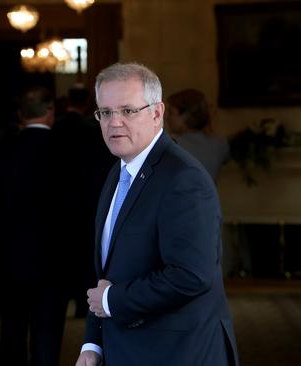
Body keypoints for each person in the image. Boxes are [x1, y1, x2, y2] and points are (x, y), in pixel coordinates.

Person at [76, 63, 239, 366]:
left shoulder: (183, 179)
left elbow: (191, 275)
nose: (115, 123)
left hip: (178, 353)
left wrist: (112, 302)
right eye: (106, 112)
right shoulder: (118, 170)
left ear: (156, 112)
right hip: (128, 348)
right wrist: (93, 343)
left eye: (128, 110)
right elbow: (109, 271)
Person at [0, 87, 67, 366]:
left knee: (12, 333)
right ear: (51, 112)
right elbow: (77, 210)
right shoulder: (67, 150)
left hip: (10, 260)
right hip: (55, 260)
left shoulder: (1, 150)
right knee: (48, 336)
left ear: (20, 115)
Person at [52, 84, 116, 318]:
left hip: (58, 202)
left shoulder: (55, 128)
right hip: (90, 199)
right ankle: (84, 302)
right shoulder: (93, 129)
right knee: (87, 253)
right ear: (88, 102)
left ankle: (66, 297)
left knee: (64, 252)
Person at [165, 88, 230, 182]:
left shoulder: (171, 145)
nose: (167, 117)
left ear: (186, 116)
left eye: (171, 113)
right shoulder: (220, 144)